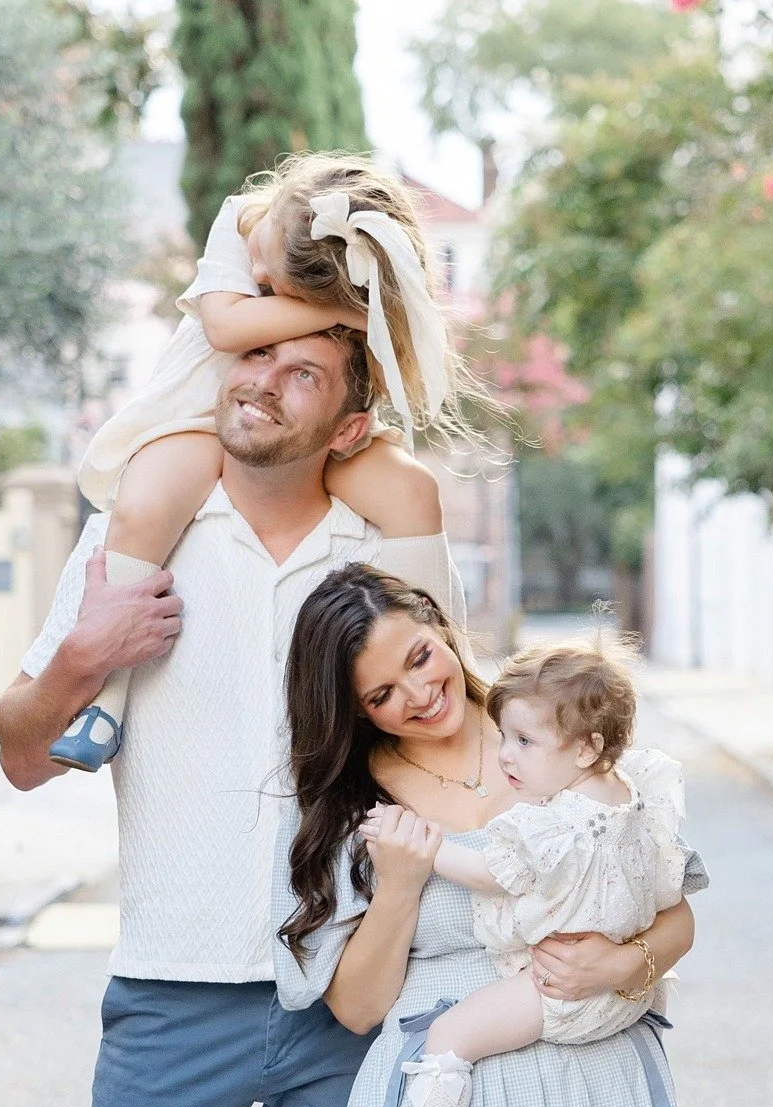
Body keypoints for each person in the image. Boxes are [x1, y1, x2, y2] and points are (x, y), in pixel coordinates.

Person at [0, 328, 464, 1107]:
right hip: (171, 1000)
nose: (259, 381)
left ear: (348, 425)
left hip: (348, 1001)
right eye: (252, 359)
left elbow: (458, 741)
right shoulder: (140, 539)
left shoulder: (378, 557)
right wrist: (82, 658)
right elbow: (22, 755)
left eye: (302, 372)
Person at [272, 565, 718, 1107]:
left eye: (417, 657)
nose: (414, 694)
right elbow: (356, 1007)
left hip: (593, 1087)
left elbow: (674, 910)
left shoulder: (563, 726)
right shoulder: (354, 806)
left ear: (441, 629)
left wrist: (619, 962)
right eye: (379, 694)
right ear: (355, 711)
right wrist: (401, 886)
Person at [50, 151, 485, 771]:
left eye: (271, 281)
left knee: (414, 493)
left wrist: (361, 324)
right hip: (201, 415)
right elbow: (226, 329)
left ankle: (443, 678)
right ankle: (107, 704)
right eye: (267, 267)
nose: (253, 271)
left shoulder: (348, 287)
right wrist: (340, 313)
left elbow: (383, 380)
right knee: (148, 503)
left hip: (308, 430)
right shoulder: (240, 222)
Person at [355, 638, 697, 1107]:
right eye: (506, 738)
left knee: (449, 1038)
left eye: (523, 742)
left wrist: (423, 848)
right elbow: (669, 887)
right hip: (621, 1006)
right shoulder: (634, 798)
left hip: (562, 992)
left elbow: (491, 872)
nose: (506, 756)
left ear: (588, 748)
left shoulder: (551, 823)